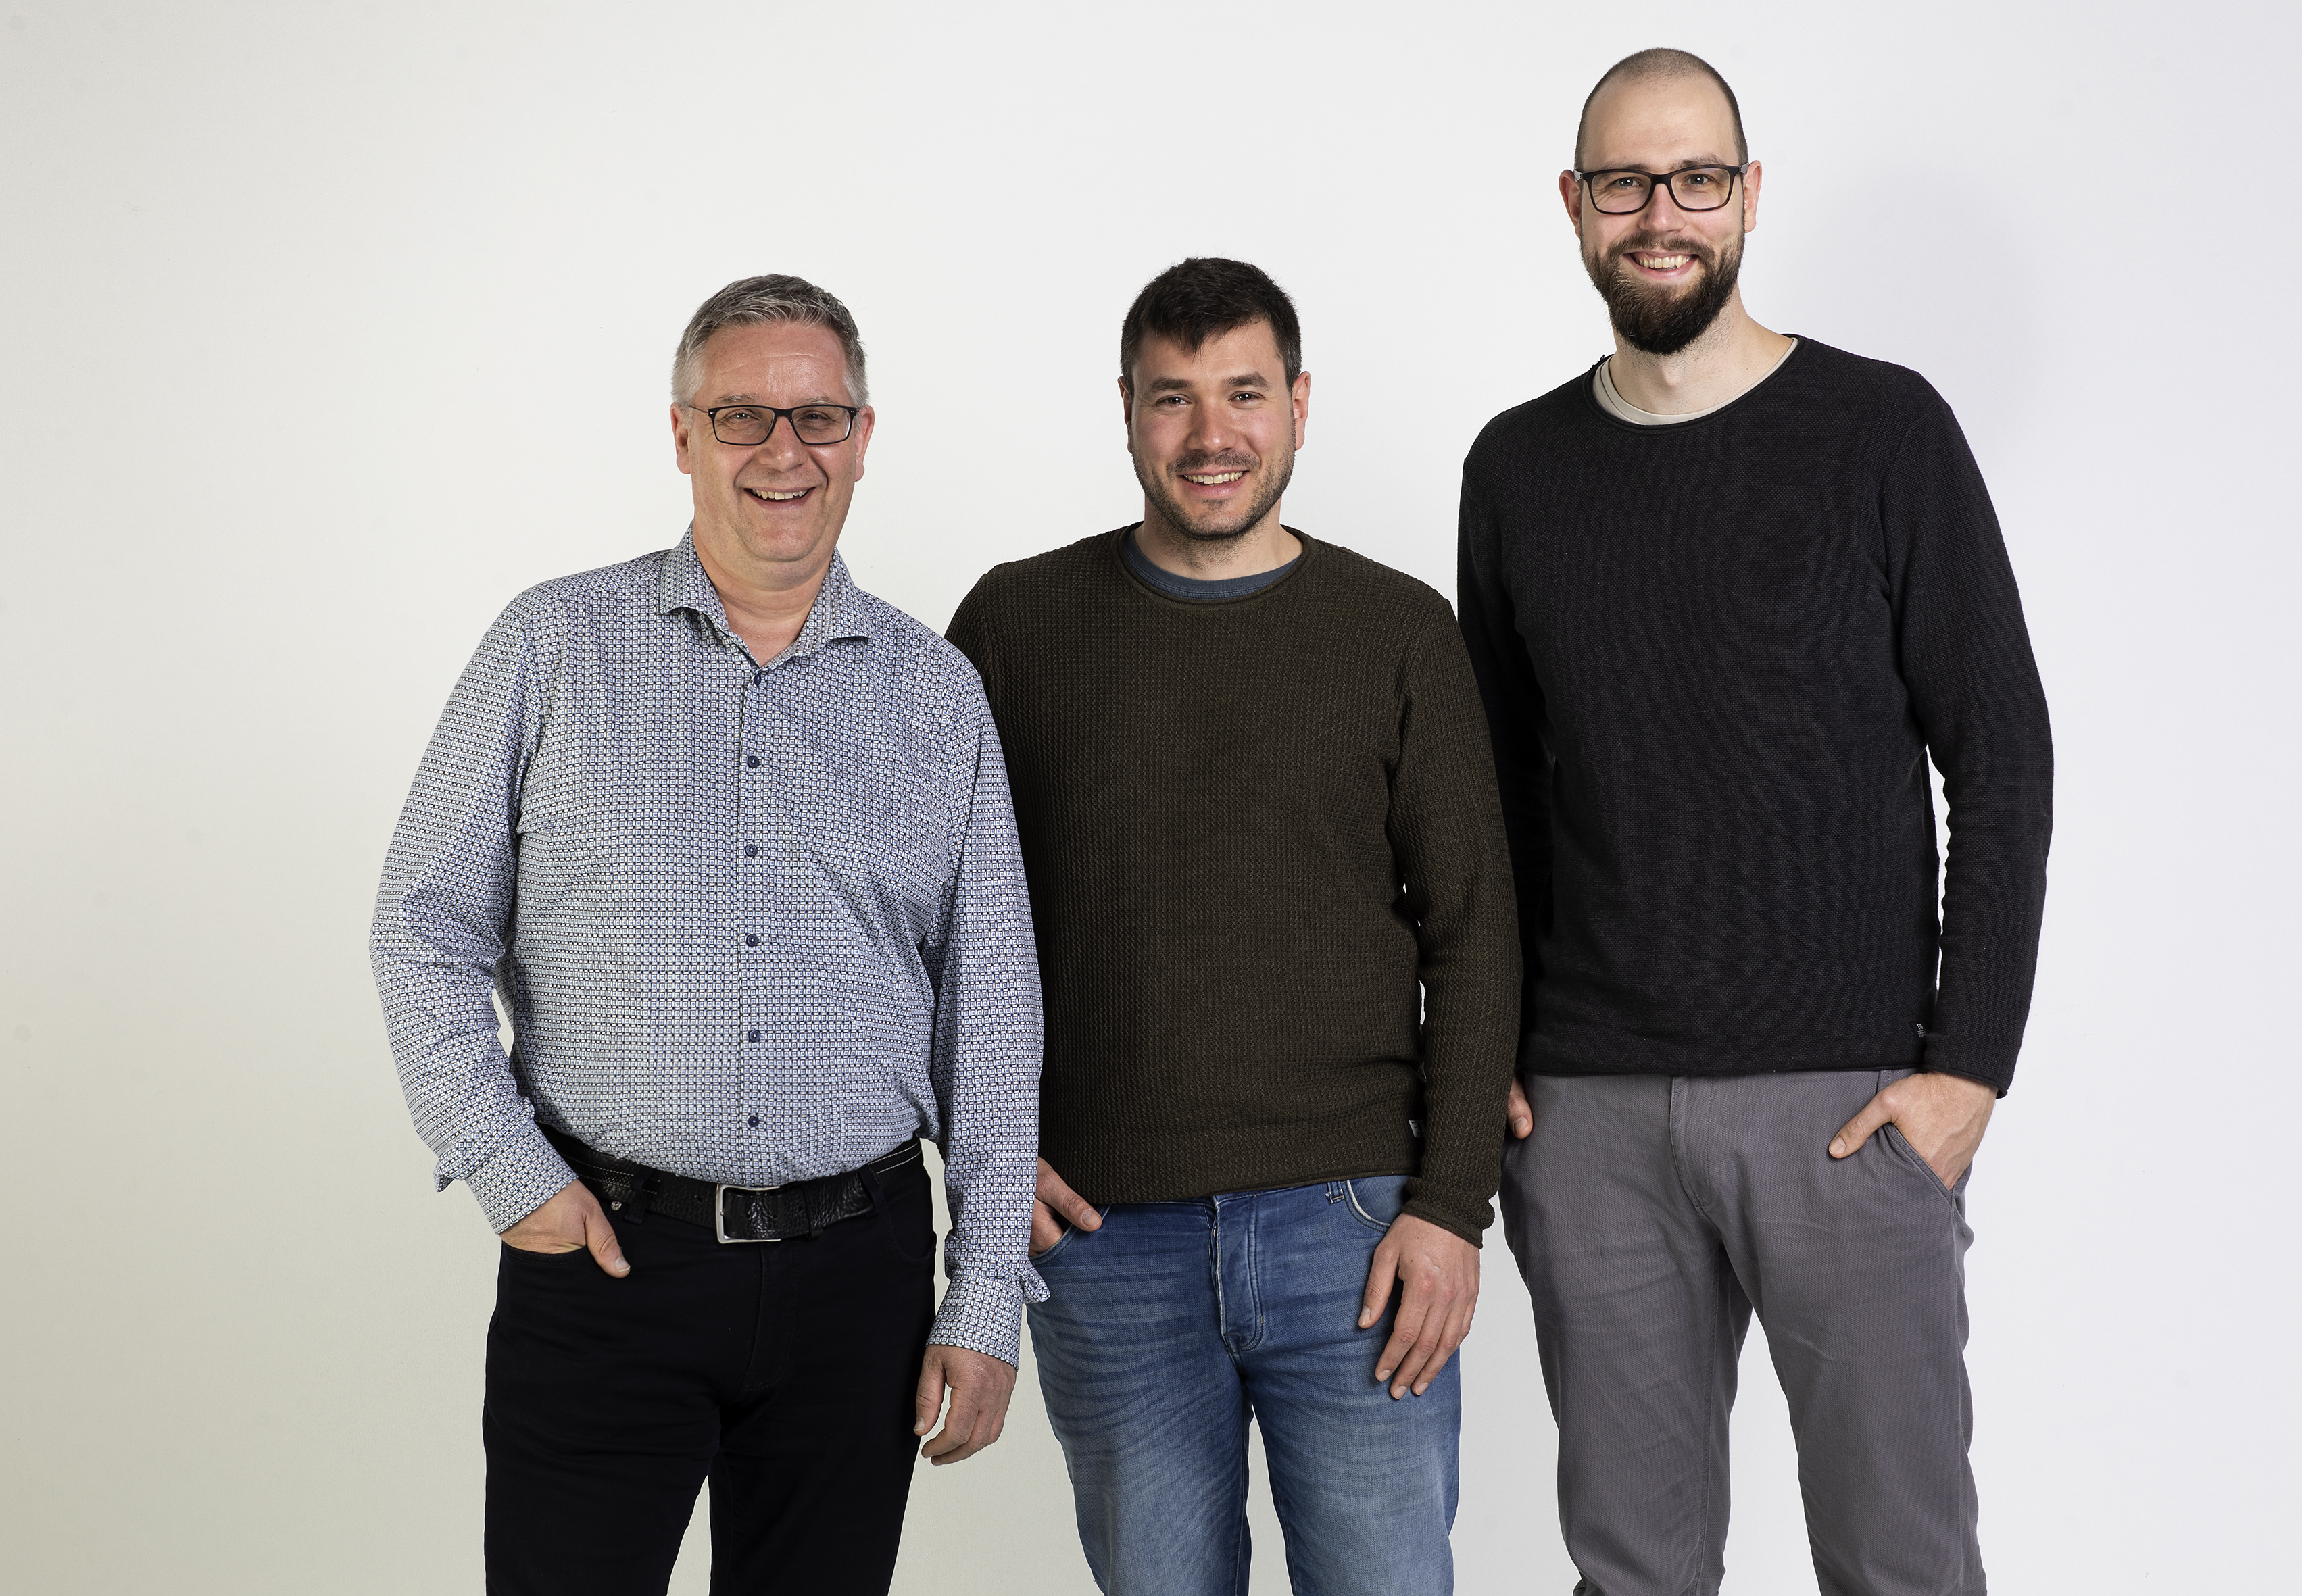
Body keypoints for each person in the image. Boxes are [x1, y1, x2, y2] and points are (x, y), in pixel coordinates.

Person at [1458, 51, 2053, 1596]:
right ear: (1572, 204)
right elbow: (1494, 791)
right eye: (1623, 182)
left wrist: (1966, 1067)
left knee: (1898, 1562)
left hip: (1845, 1103)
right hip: (1588, 1108)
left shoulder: (1880, 429)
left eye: (1694, 179)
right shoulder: (1515, 467)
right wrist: (1496, 1053)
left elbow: (2000, 753)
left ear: (1746, 194)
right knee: (1631, 1572)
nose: (1659, 214)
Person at [369, 274, 1044, 1596]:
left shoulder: (938, 694)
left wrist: (983, 1295)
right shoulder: (550, 646)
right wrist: (507, 1167)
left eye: (817, 415)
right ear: (682, 433)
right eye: (742, 415)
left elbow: (994, 1021)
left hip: (858, 1283)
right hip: (609, 1264)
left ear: (861, 436)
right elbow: (422, 928)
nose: (783, 451)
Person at [945, 257, 1519, 1596]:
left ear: (1300, 404)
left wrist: (1450, 1205)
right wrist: (983, 1153)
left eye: (1245, 393)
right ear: (1126, 412)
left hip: (1356, 1230)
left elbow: (1476, 932)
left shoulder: (1397, 631)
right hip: (1105, 1238)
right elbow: (918, 919)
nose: (1211, 434)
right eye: (1174, 398)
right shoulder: (1015, 624)